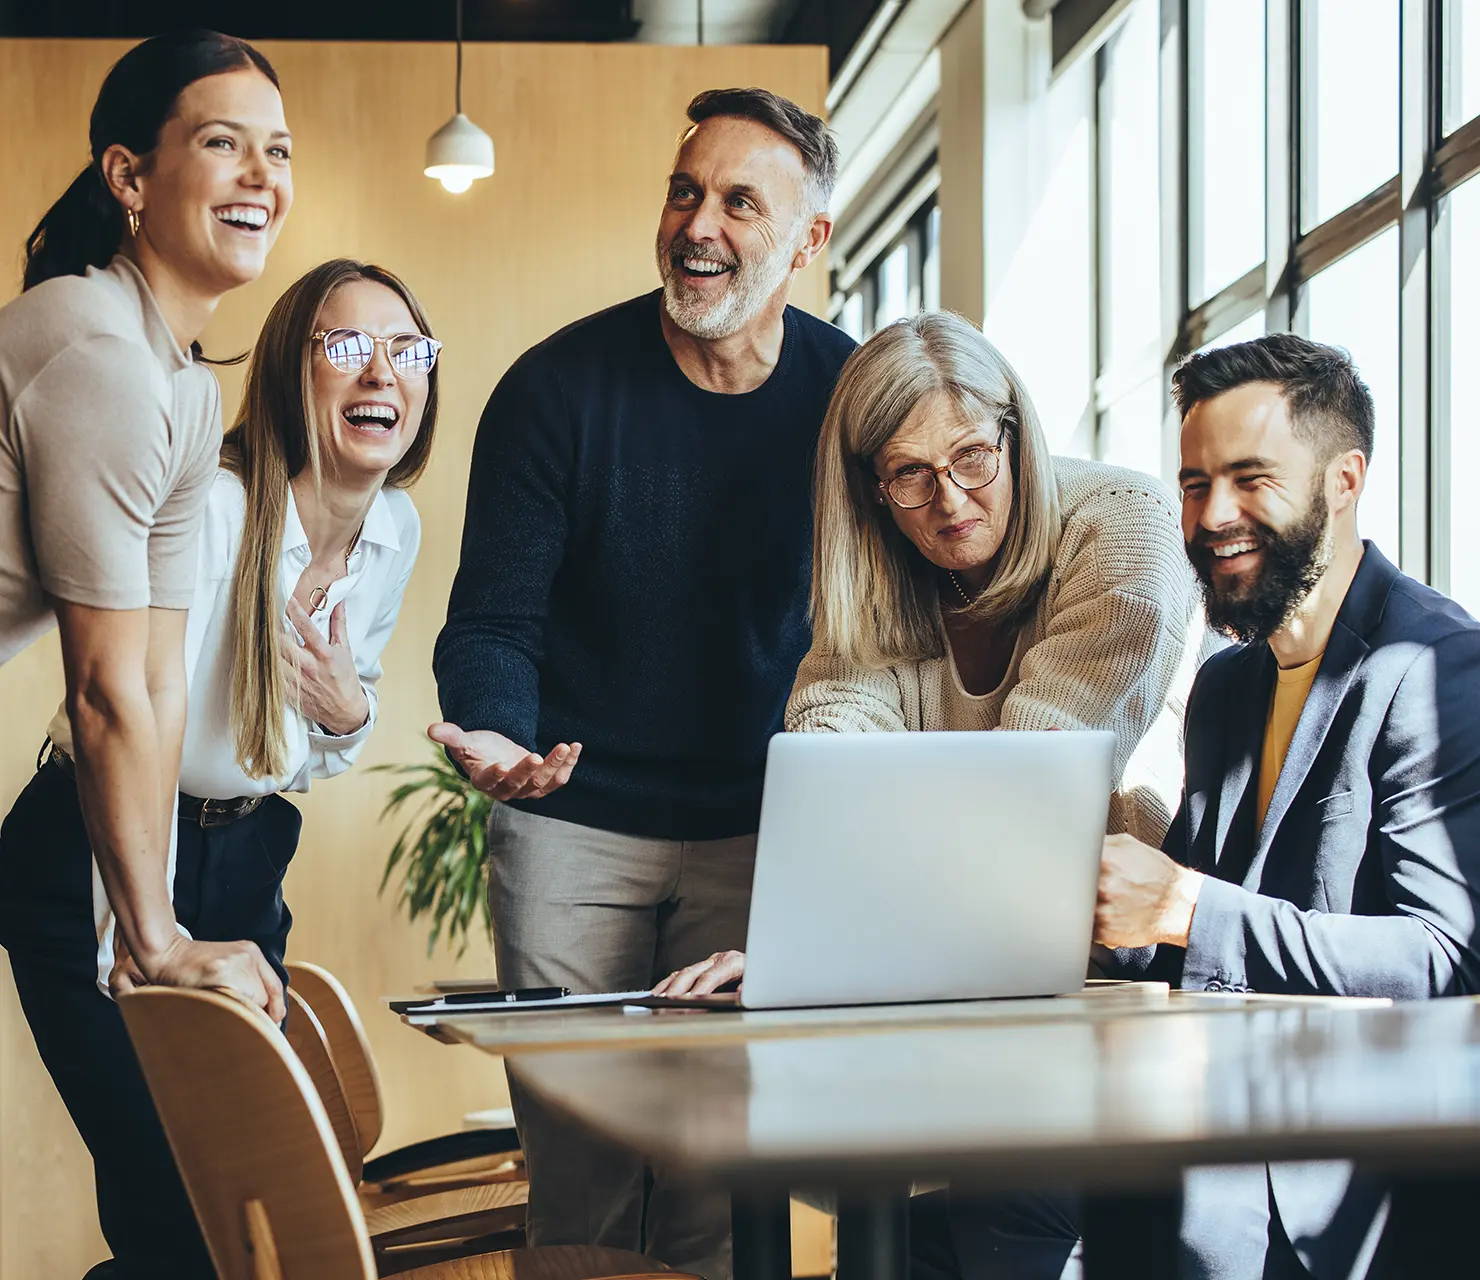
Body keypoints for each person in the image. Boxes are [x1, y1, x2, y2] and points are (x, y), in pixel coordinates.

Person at [908, 335, 1480, 1280]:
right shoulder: (1227, 686)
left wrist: (1186, 907)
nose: (1212, 516)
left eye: (1251, 479)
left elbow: (1444, 959)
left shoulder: (1435, 668)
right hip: (1212, 1113)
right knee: (954, 1216)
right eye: (1193, 483)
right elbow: (1172, 933)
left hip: (1339, 1173)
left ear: (1345, 481)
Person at [431, 87, 854, 1279]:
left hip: (759, 830)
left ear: (807, 242)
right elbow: (492, 622)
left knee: (720, 1182)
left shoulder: (849, 398)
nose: (697, 224)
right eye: (683, 190)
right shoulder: (553, 390)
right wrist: (499, 737)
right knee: (581, 1174)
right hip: (573, 824)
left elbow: (884, 628)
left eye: (736, 200)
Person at [2, 259, 435, 1276]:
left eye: (408, 348)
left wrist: (351, 707)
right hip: (99, 854)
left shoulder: (393, 531)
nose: (383, 370)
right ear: (293, 370)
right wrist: (138, 931)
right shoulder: (219, 509)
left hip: (244, 861)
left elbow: (311, 749)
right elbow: (132, 717)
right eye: (345, 345)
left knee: (254, 1202)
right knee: (176, 1207)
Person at [656, 310, 1207, 1002]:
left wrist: (825, 954)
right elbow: (839, 775)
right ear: (873, 490)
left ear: (1016, 435)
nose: (950, 501)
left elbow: (1030, 795)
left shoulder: (1126, 526)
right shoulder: (877, 575)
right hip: (952, 948)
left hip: (1136, 963)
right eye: (910, 473)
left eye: (973, 455)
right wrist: (797, 954)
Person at [0, 32, 291, 1278]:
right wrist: (154, 937)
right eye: (221, 141)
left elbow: (161, 672)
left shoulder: (179, 385)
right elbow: (106, 687)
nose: (260, 176)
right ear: (130, 175)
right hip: (59, 851)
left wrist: (155, 924)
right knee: (179, 1214)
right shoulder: (96, 354)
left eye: (277, 151)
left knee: (188, 1207)